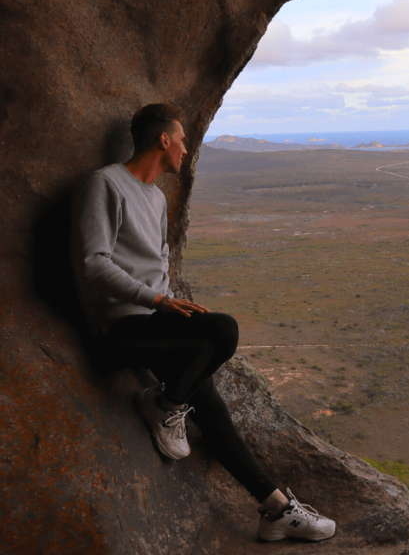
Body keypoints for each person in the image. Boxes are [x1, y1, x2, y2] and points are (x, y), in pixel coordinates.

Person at [71, 103, 335, 543]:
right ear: (164, 141)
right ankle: (164, 406)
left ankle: (276, 510)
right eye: (184, 141)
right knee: (222, 331)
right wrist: (157, 300)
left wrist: (170, 304)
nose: (187, 151)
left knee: (213, 409)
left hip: (154, 325)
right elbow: (92, 264)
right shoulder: (105, 184)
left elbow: (156, 266)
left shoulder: (155, 198)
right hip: (117, 333)